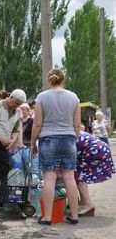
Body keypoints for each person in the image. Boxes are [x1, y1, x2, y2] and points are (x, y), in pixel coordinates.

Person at [31, 68, 81, 225]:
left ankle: (48, 217)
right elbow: (77, 124)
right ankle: (74, 216)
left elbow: (37, 123)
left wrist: (33, 143)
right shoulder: (73, 97)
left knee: (49, 178)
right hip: (68, 139)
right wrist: (75, 138)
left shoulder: (42, 97)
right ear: (63, 80)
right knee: (69, 178)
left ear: (48, 80)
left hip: (48, 139)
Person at [76, 125, 115, 216]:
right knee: (78, 175)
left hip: (94, 150)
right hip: (101, 148)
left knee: (77, 175)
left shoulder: (63, 135)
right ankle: (83, 203)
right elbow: (82, 127)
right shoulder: (71, 129)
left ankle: (88, 204)